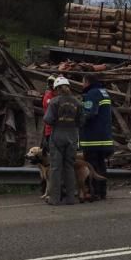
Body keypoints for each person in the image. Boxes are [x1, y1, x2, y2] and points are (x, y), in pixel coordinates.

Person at [42, 76, 82, 205]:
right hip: (72, 137)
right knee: (69, 167)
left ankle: (55, 199)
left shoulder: (54, 102)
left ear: (57, 89)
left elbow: (47, 119)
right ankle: (71, 198)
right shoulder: (78, 103)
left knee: (56, 168)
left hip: (57, 137)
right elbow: (82, 121)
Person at [80, 71, 113, 200]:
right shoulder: (103, 92)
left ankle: (95, 193)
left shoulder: (92, 94)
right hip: (104, 137)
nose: (82, 85)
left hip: (93, 139)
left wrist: (77, 121)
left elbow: (89, 113)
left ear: (87, 82)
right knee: (101, 165)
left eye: (83, 82)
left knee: (92, 166)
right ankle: (102, 192)